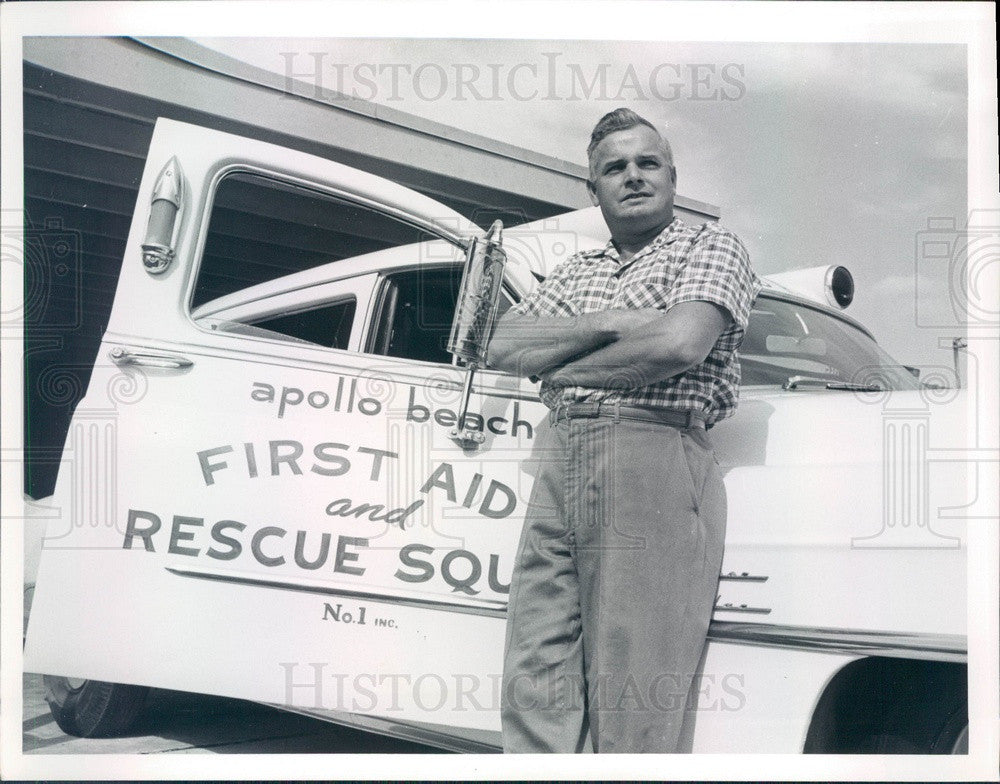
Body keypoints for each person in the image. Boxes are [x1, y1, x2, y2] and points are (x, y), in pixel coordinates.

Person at [487, 108, 761, 753]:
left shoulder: (711, 247)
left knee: (633, 678)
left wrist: (560, 363)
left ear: (672, 176)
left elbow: (678, 344)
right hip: (563, 451)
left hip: (651, 443)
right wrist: (614, 319)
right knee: (537, 665)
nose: (632, 177)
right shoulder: (579, 270)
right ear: (593, 189)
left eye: (647, 163)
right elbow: (502, 346)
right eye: (614, 168)